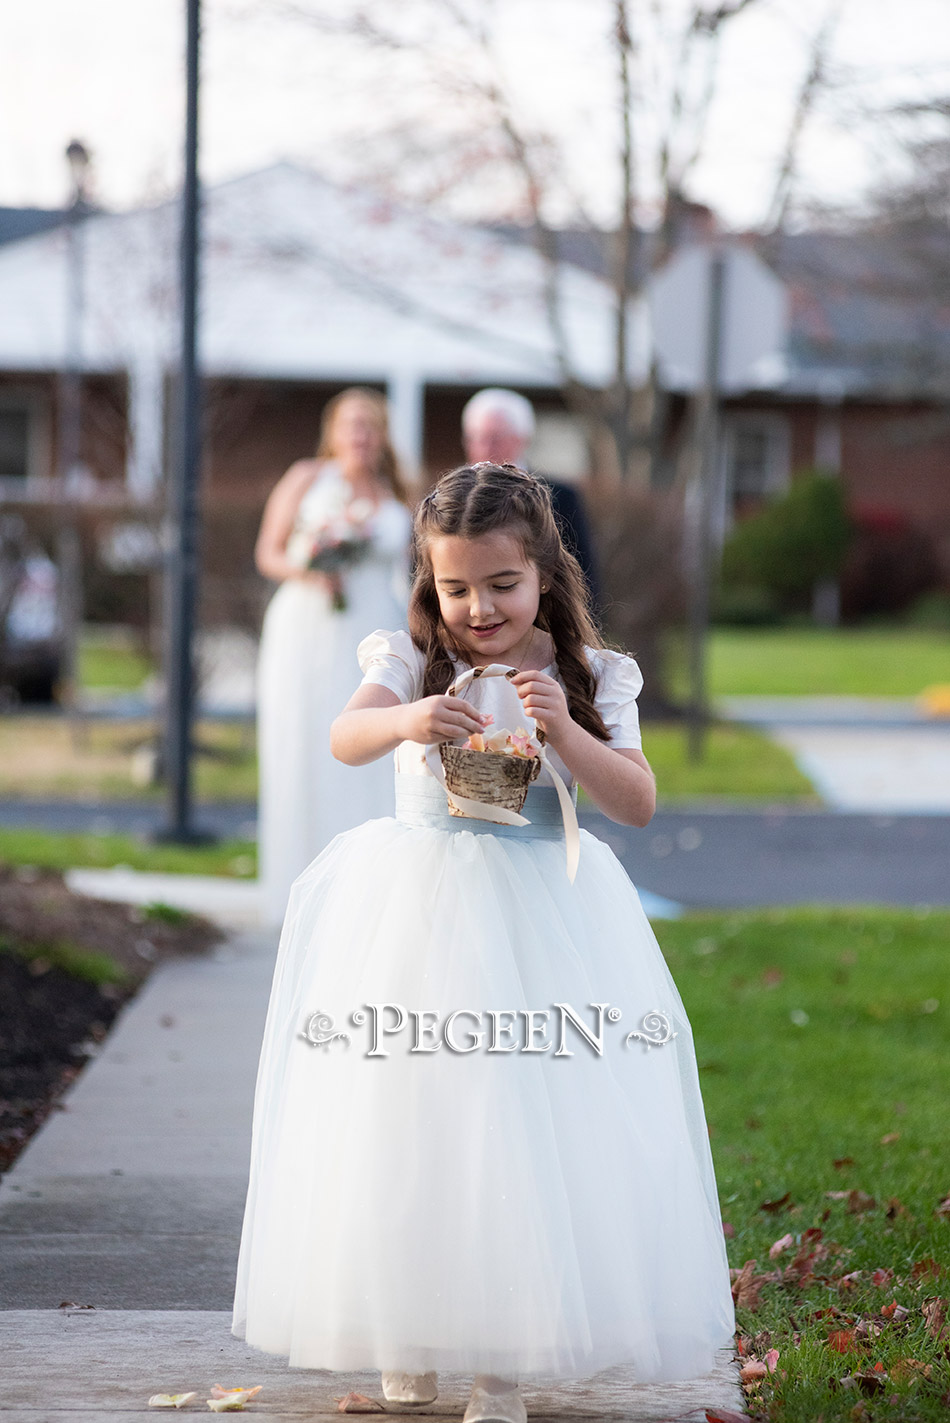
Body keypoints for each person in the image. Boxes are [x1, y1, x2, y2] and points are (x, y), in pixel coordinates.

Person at [231, 463, 735, 1422]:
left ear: (543, 571)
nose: (478, 607)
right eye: (456, 587)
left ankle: (501, 1365)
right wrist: (409, 717)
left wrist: (565, 733)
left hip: (543, 920)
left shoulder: (591, 671)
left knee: (515, 1127)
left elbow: (635, 799)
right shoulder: (408, 655)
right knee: (410, 1126)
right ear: (430, 580)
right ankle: (408, 1336)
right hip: (415, 918)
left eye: (501, 585)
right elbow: (346, 737)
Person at [254, 386, 413, 926]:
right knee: (309, 740)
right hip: (308, 629)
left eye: (370, 424)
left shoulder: (396, 490)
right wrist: (313, 568)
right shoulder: (306, 478)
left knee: (375, 738)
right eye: (351, 424)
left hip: (374, 624)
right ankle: (300, 879)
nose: (360, 435)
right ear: (333, 431)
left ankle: (371, 884)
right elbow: (268, 553)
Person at [462, 387, 603, 614]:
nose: (484, 448)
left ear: (522, 440)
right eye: (475, 438)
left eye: (494, 438)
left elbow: (583, 574)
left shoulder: (560, 498)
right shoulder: (449, 501)